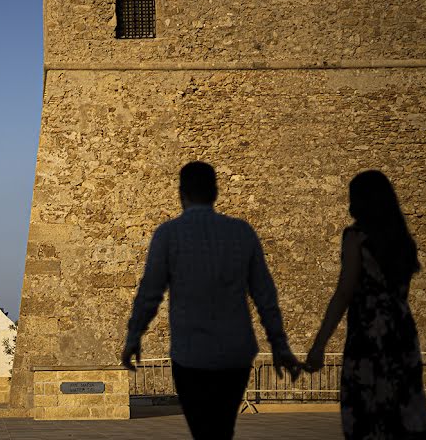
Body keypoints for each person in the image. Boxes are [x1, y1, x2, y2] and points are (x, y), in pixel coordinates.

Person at [121, 161, 300, 440]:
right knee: (223, 429)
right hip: (235, 355)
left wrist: (134, 337)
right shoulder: (242, 233)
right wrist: (279, 344)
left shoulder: (169, 235)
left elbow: (150, 294)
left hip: (191, 355)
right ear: (215, 192)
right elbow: (264, 295)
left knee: (203, 431)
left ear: (182, 194)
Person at [305, 170, 426, 439]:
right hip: (401, 334)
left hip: (369, 333)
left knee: (366, 415)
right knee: (406, 413)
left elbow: (345, 292)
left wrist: (319, 344)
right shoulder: (402, 242)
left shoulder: (356, 237)